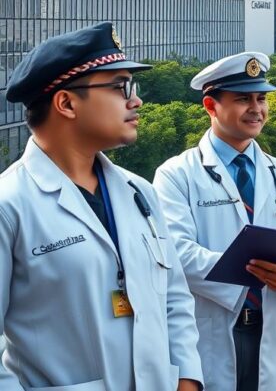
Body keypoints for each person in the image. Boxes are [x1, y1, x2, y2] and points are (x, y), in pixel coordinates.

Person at [0, 22, 203, 389]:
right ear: (66, 103)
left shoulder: (138, 192)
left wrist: (187, 377)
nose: (135, 100)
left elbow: (174, 296)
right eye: (119, 86)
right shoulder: (10, 204)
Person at [153, 52, 276, 391]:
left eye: (262, 98)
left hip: (274, 323)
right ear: (211, 105)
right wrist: (252, 269)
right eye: (243, 99)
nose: (257, 109)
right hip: (212, 326)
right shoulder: (176, 175)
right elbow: (177, 253)